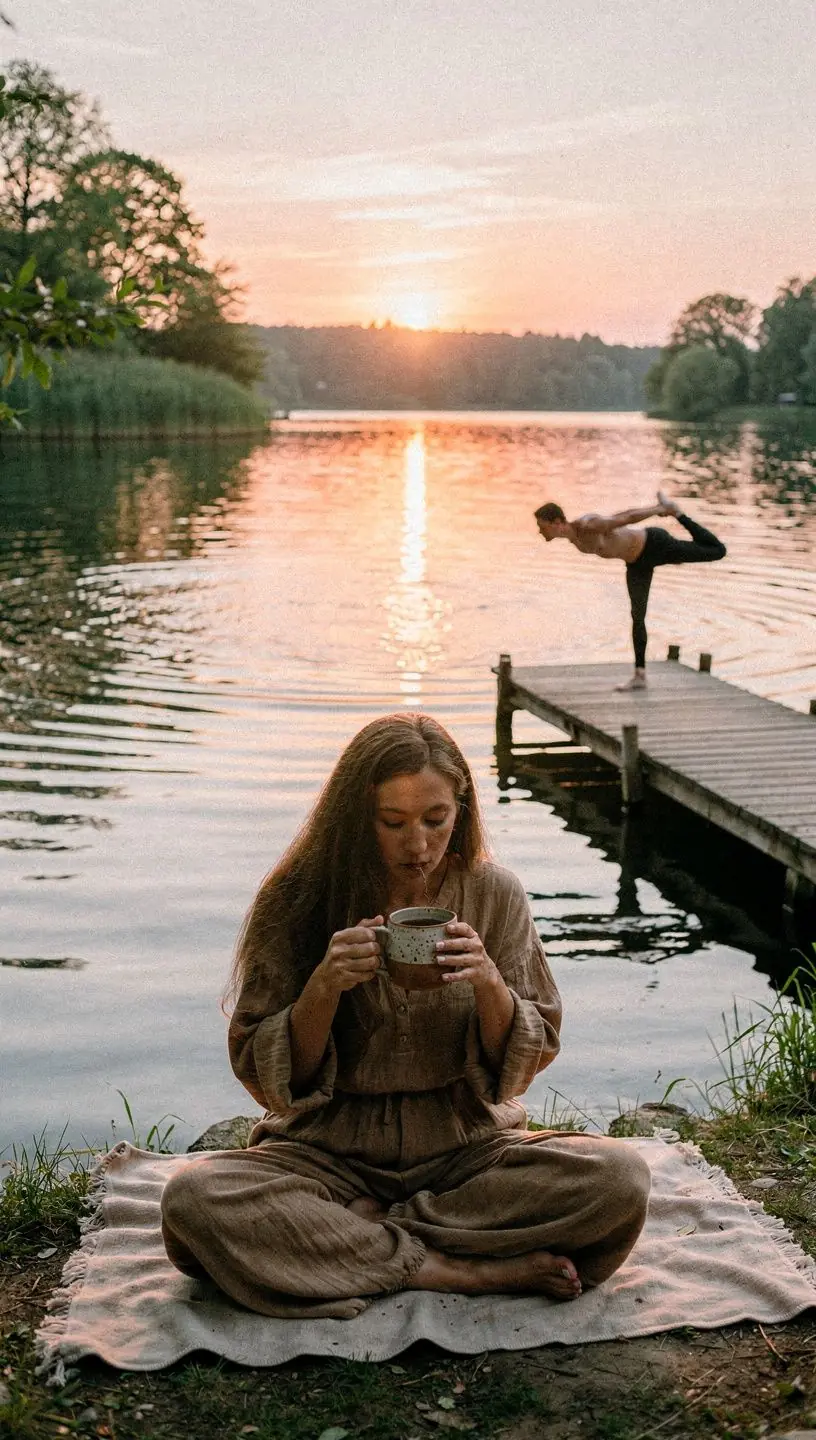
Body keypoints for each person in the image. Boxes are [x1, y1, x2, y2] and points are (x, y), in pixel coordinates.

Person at [161, 714, 650, 1318]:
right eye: (391, 823)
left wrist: (490, 983)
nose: (416, 844)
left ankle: (358, 1238)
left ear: (461, 809)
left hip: (466, 1150)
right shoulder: (296, 898)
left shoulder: (495, 893)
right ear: (354, 817)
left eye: (435, 820)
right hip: (327, 1154)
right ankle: (452, 1269)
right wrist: (325, 986)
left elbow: (524, 1066)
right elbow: (267, 1083)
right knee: (193, 1202)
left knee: (620, 1180)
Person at [535, 491, 726, 690]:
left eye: (542, 527)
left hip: (654, 545)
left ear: (557, 522)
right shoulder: (575, 539)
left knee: (717, 551)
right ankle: (640, 676)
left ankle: (677, 514)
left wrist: (660, 510)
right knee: (637, 615)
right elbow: (622, 514)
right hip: (637, 564)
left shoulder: (588, 526)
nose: (540, 532)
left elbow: (625, 518)